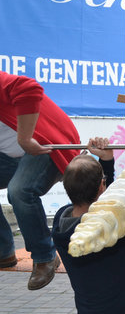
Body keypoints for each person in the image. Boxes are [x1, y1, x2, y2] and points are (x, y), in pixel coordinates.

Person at [52, 137, 125, 314]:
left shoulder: (61, 219)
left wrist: (106, 161)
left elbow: (106, 205)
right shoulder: (104, 233)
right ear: (102, 185)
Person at [0, 72, 80, 290]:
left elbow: (29, 87)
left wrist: (24, 137)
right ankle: (4, 251)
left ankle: (45, 256)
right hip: (11, 156)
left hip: (45, 145)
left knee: (19, 191)